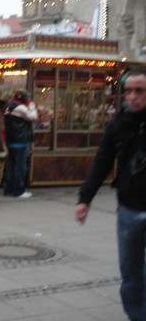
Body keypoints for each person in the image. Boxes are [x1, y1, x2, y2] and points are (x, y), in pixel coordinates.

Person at [75, 66, 146, 321]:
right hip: (128, 207)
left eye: (139, 91)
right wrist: (85, 199)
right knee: (131, 272)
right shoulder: (118, 123)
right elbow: (102, 161)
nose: (132, 96)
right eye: (128, 91)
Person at [4, 88, 37, 198]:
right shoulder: (21, 108)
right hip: (20, 141)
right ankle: (18, 190)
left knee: (11, 167)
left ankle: (9, 189)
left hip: (11, 141)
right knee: (20, 167)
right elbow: (34, 117)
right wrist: (31, 105)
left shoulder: (9, 107)